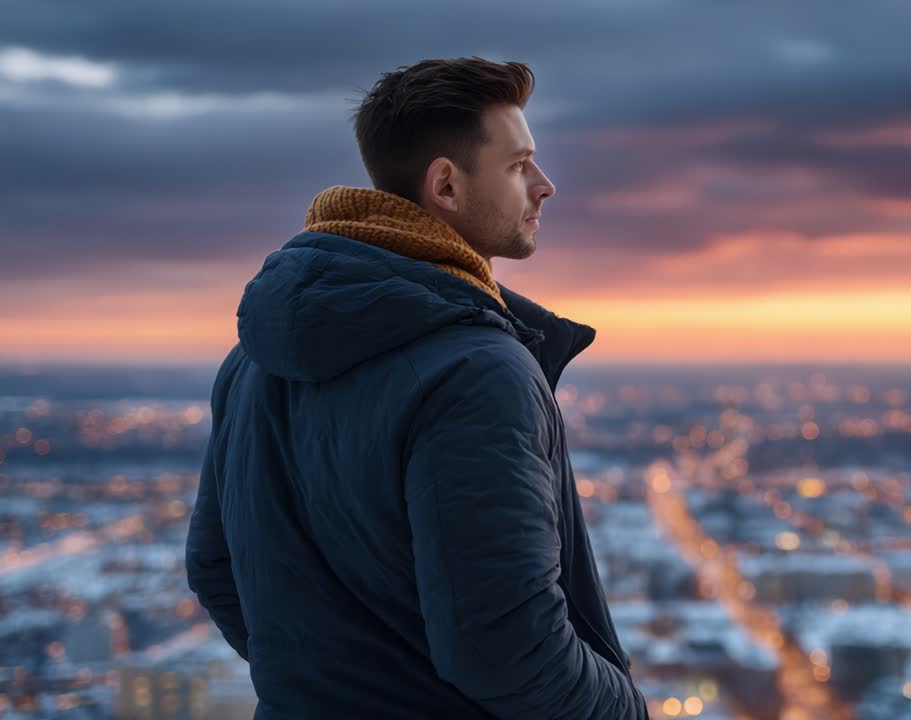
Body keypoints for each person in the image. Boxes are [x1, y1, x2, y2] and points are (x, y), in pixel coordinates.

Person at [185, 56, 648, 719]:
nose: (545, 186)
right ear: (446, 187)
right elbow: (508, 648)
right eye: (519, 165)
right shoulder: (478, 370)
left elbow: (217, 569)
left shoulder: (250, 361)